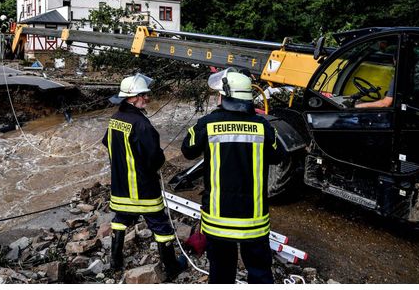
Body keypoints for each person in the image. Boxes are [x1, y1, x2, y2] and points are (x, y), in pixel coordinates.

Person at [181, 68, 285, 284]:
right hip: (254, 221)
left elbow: (187, 150)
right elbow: (278, 157)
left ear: (226, 96)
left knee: (221, 274)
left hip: (218, 221)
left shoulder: (208, 123)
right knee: (260, 273)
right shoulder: (263, 126)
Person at [102, 73, 186, 281]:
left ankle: (115, 262)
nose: (148, 98)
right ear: (132, 98)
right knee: (161, 226)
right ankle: (171, 266)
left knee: (121, 219)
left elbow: (107, 143)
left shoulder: (115, 119)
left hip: (121, 188)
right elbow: (154, 159)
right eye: (144, 95)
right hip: (143, 189)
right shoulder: (141, 124)